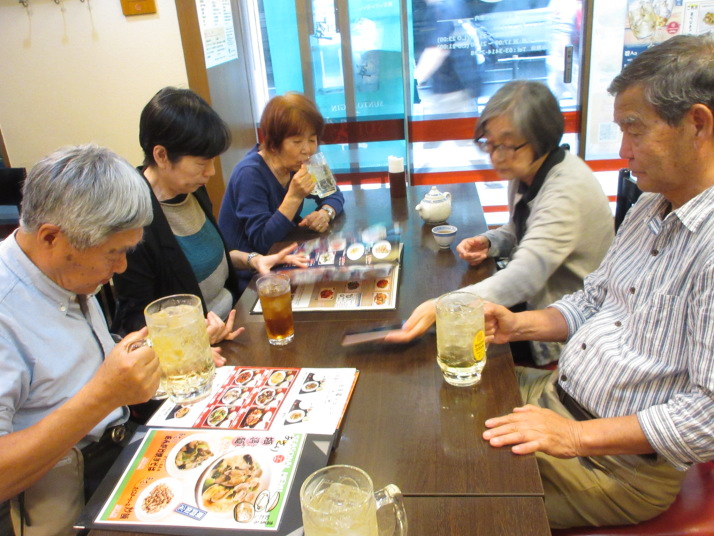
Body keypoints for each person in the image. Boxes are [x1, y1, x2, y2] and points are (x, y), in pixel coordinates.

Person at [481, 34, 714, 528]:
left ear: (697, 124)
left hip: (617, 466)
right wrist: (516, 325)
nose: (623, 150)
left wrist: (573, 438)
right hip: (557, 396)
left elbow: (706, 417)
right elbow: (594, 299)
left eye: (635, 130)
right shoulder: (650, 205)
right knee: (445, 404)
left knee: (468, 506)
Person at [387, 81, 613, 365]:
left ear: (542, 139)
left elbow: (524, 277)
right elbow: (524, 229)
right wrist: (491, 241)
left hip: (563, 335)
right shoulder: (530, 171)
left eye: (507, 145)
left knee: (448, 351)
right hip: (535, 306)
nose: (496, 156)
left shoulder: (566, 190)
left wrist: (444, 305)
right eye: (490, 143)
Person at [0, 145, 161, 536]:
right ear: (51, 237)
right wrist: (104, 396)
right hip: (62, 493)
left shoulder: (64, 271)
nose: (122, 266)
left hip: (121, 449)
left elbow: (73, 360)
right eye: (113, 253)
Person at [112, 87, 307, 342]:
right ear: (161, 155)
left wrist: (254, 260)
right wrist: (197, 337)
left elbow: (215, 257)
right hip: (201, 344)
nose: (211, 172)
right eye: (202, 163)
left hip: (233, 316)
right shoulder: (133, 220)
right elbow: (136, 323)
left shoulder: (192, 191)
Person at [218, 92, 345, 292]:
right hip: (252, 277)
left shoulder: (302, 163)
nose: (307, 150)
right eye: (297, 142)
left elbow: (334, 194)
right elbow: (263, 243)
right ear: (274, 143)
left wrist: (325, 213)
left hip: (287, 256)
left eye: (312, 139)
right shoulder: (250, 174)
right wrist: (294, 197)